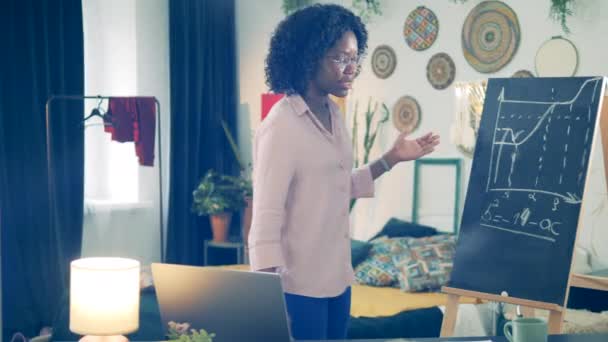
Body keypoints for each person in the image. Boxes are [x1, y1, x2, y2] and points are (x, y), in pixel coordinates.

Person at [248, 4, 440, 340]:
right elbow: (266, 217)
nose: (351, 69)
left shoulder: (333, 114)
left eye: (354, 58)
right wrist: (265, 302)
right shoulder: (281, 126)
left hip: (337, 279)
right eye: (340, 58)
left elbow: (335, 186)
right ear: (308, 57)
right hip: (298, 286)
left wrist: (391, 158)